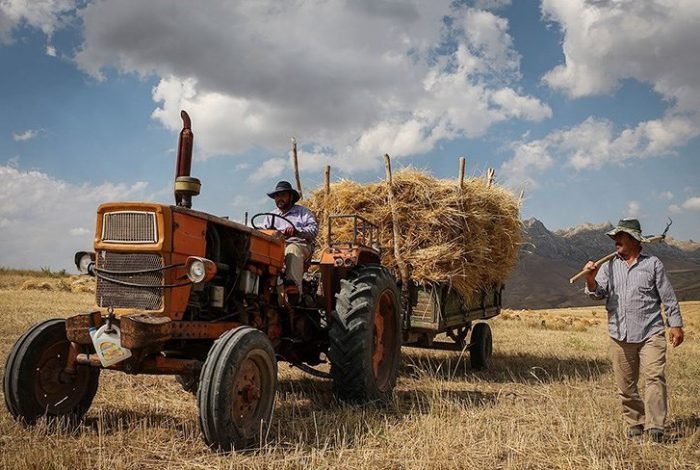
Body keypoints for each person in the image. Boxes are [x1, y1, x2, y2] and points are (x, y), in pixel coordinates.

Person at [583, 218, 684, 442]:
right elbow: (598, 293)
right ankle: (635, 421)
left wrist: (675, 324)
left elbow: (667, 297)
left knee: (654, 377)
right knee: (626, 385)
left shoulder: (653, 264)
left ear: (635, 240)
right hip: (620, 334)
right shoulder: (608, 266)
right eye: (615, 237)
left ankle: (655, 426)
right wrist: (591, 280)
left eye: (621, 237)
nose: (616, 241)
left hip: (651, 332)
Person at [263, 181, 318, 299]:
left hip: (299, 244)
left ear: (291, 197)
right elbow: (263, 232)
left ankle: (293, 290)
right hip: (276, 247)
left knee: (292, 250)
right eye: (277, 196)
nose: (279, 199)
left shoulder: (303, 212)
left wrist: (296, 231)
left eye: (283, 195)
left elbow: (313, 230)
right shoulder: (270, 216)